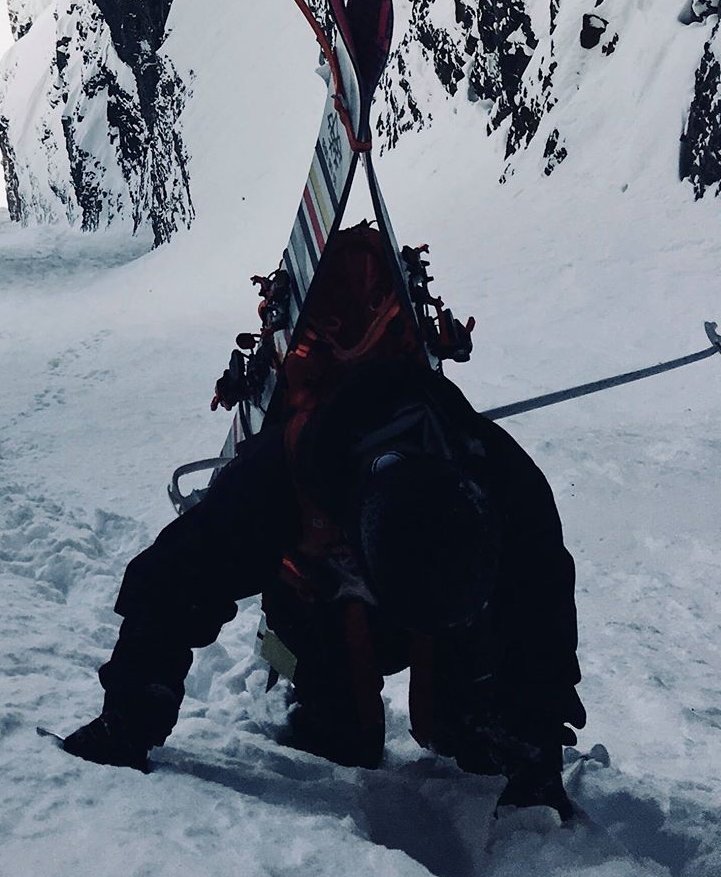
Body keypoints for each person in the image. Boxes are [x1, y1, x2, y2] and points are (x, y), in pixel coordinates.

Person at [60, 347, 585, 816]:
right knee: (342, 741)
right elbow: (171, 583)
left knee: (478, 738)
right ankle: (312, 693)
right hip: (319, 607)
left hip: (459, 614)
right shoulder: (278, 479)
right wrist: (130, 718)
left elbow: (544, 612)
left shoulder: (504, 480)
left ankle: (467, 697)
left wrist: (536, 743)